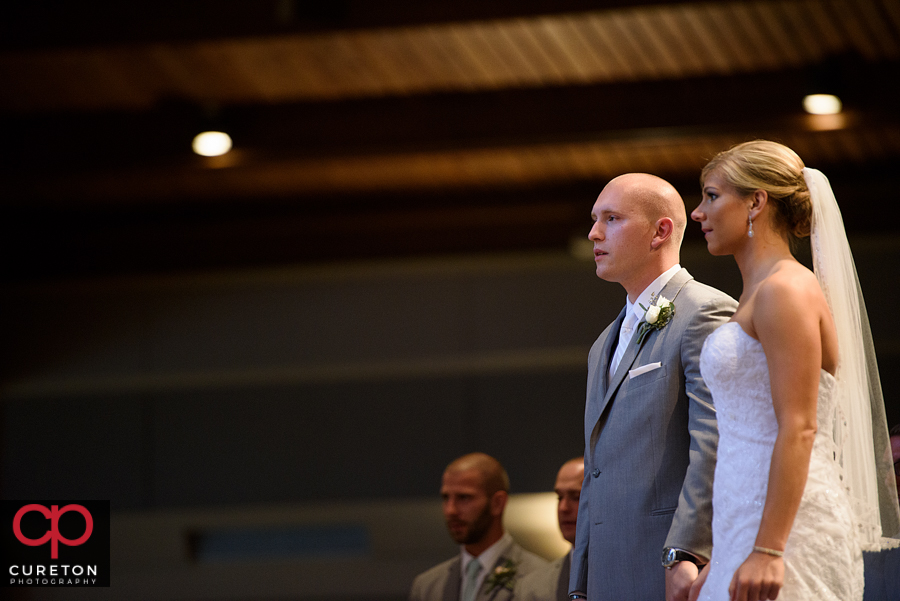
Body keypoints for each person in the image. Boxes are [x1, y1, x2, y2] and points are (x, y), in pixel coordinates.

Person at [688, 140, 900, 601]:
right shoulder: (758, 292)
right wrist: (726, 551)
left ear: (756, 202)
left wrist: (768, 548)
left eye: (711, 195)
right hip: (744, 517)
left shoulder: (785, 290)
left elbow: (800, 426)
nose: (697, 213)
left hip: (790, 526)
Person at [569, 174, 738, 601]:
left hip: (671, 567)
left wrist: (687, 549)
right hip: (607, 575)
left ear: (660, 231)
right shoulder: (601, 345)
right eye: (594, 219)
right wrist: (580, 583)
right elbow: (596, 472)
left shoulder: (705, 311)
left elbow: (714, 442)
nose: (593, 232)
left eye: (611, 218)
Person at [409, 452, 547, 601]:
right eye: (446, 497)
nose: (451, 510)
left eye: (464, 498)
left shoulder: (539, 577)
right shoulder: (427, 586)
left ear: (498, 503)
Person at [517, 457, 584, 601]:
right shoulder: (532, 586)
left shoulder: (628, 574)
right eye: (559, 497)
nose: (563, 508)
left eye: (576, 497)